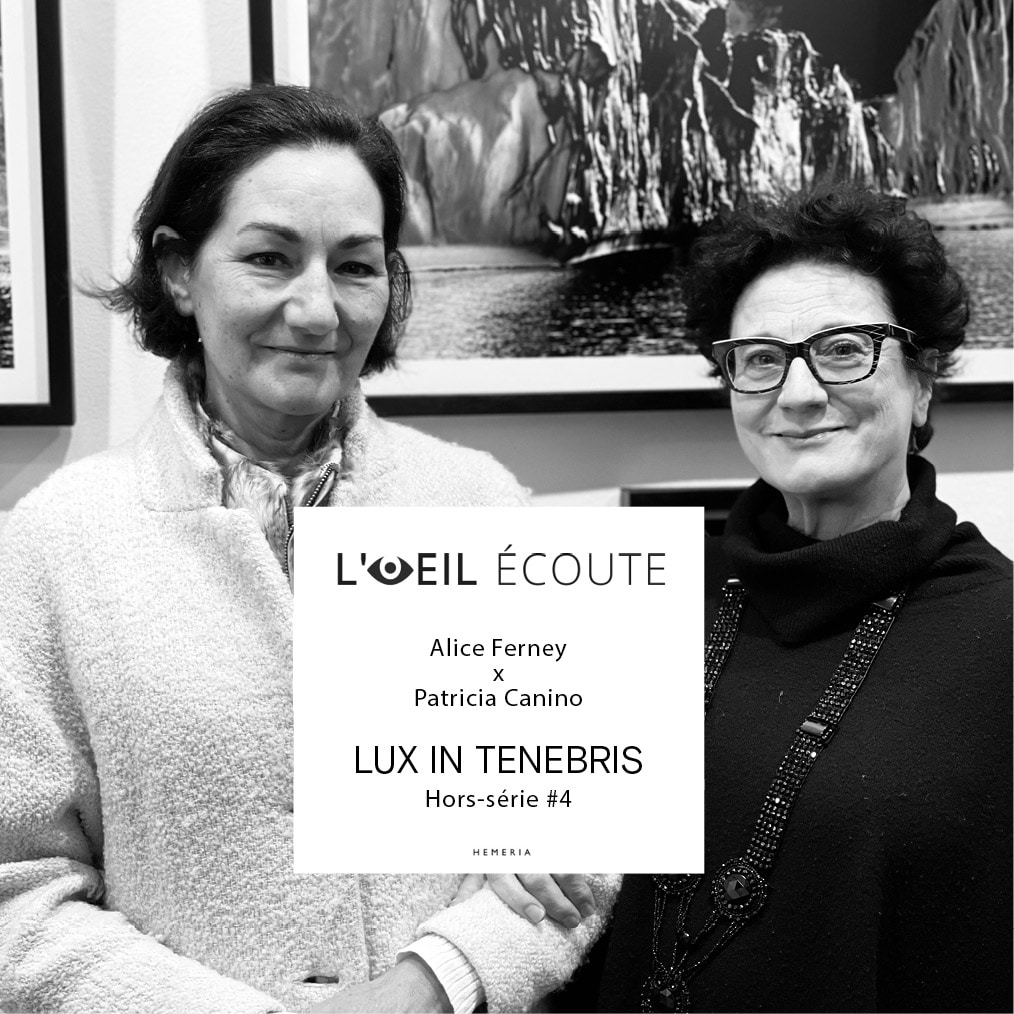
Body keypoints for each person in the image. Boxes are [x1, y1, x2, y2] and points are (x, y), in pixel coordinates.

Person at [0, 85, 618, 1013]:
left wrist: (433, 984)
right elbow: (18, 895)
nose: (319, 309)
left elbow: (583, 832)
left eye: (356, 266)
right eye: (269, 258)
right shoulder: (59, 542)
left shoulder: (480, 505)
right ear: (179, 270)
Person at [592, 183, 1012, 1012]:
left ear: (923, 382)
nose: (798, 393)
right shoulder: (637, 596)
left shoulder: (1000, 633)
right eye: (759, 358)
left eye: (845, 349)